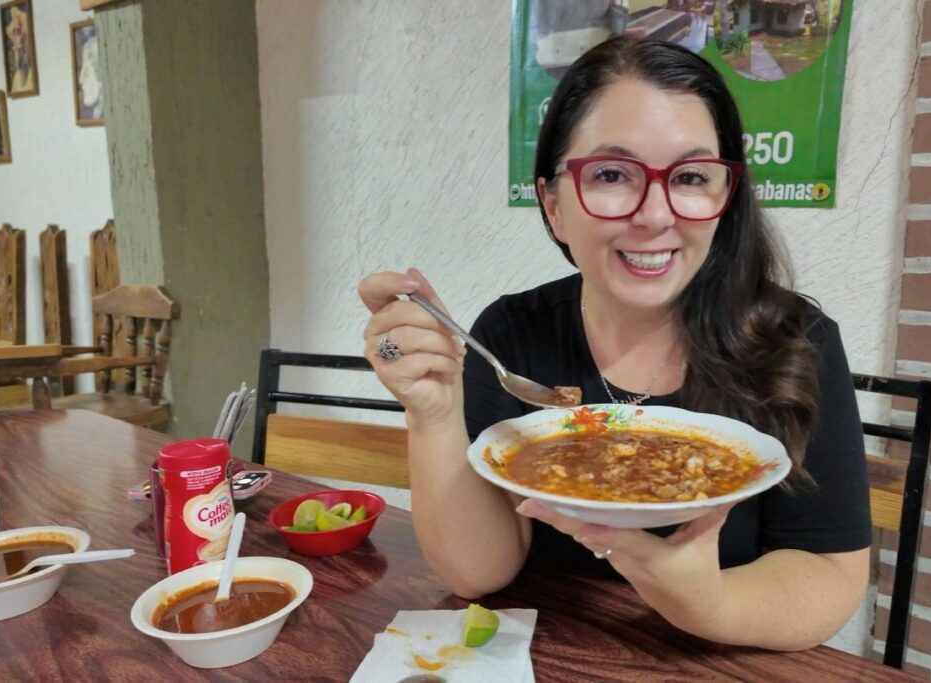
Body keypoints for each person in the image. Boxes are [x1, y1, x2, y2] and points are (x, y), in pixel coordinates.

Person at [358, 37, 870, 651]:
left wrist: (704, 601)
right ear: (554, 206)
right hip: (552, 654)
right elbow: (477, 572)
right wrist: (431, 410)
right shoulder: (512, 336)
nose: (655, 215)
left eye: (690, 176)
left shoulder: (795, 344)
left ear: (724, 197)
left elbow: (828, 576)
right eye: (609, 175)